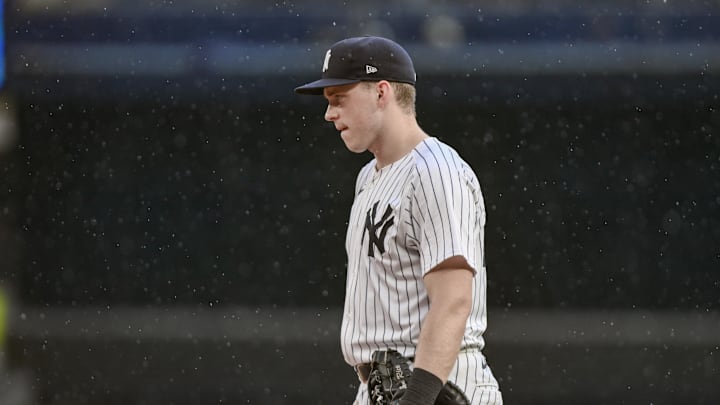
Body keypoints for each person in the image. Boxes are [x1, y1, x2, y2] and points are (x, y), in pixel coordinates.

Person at [295, 36, 503, 405]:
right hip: (383, 386)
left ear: (381, 92)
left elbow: (454, 299)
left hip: (438, 383)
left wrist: (419, 398)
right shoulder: (369, 177)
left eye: (338, 99)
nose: (329, 114)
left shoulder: (436, 172)